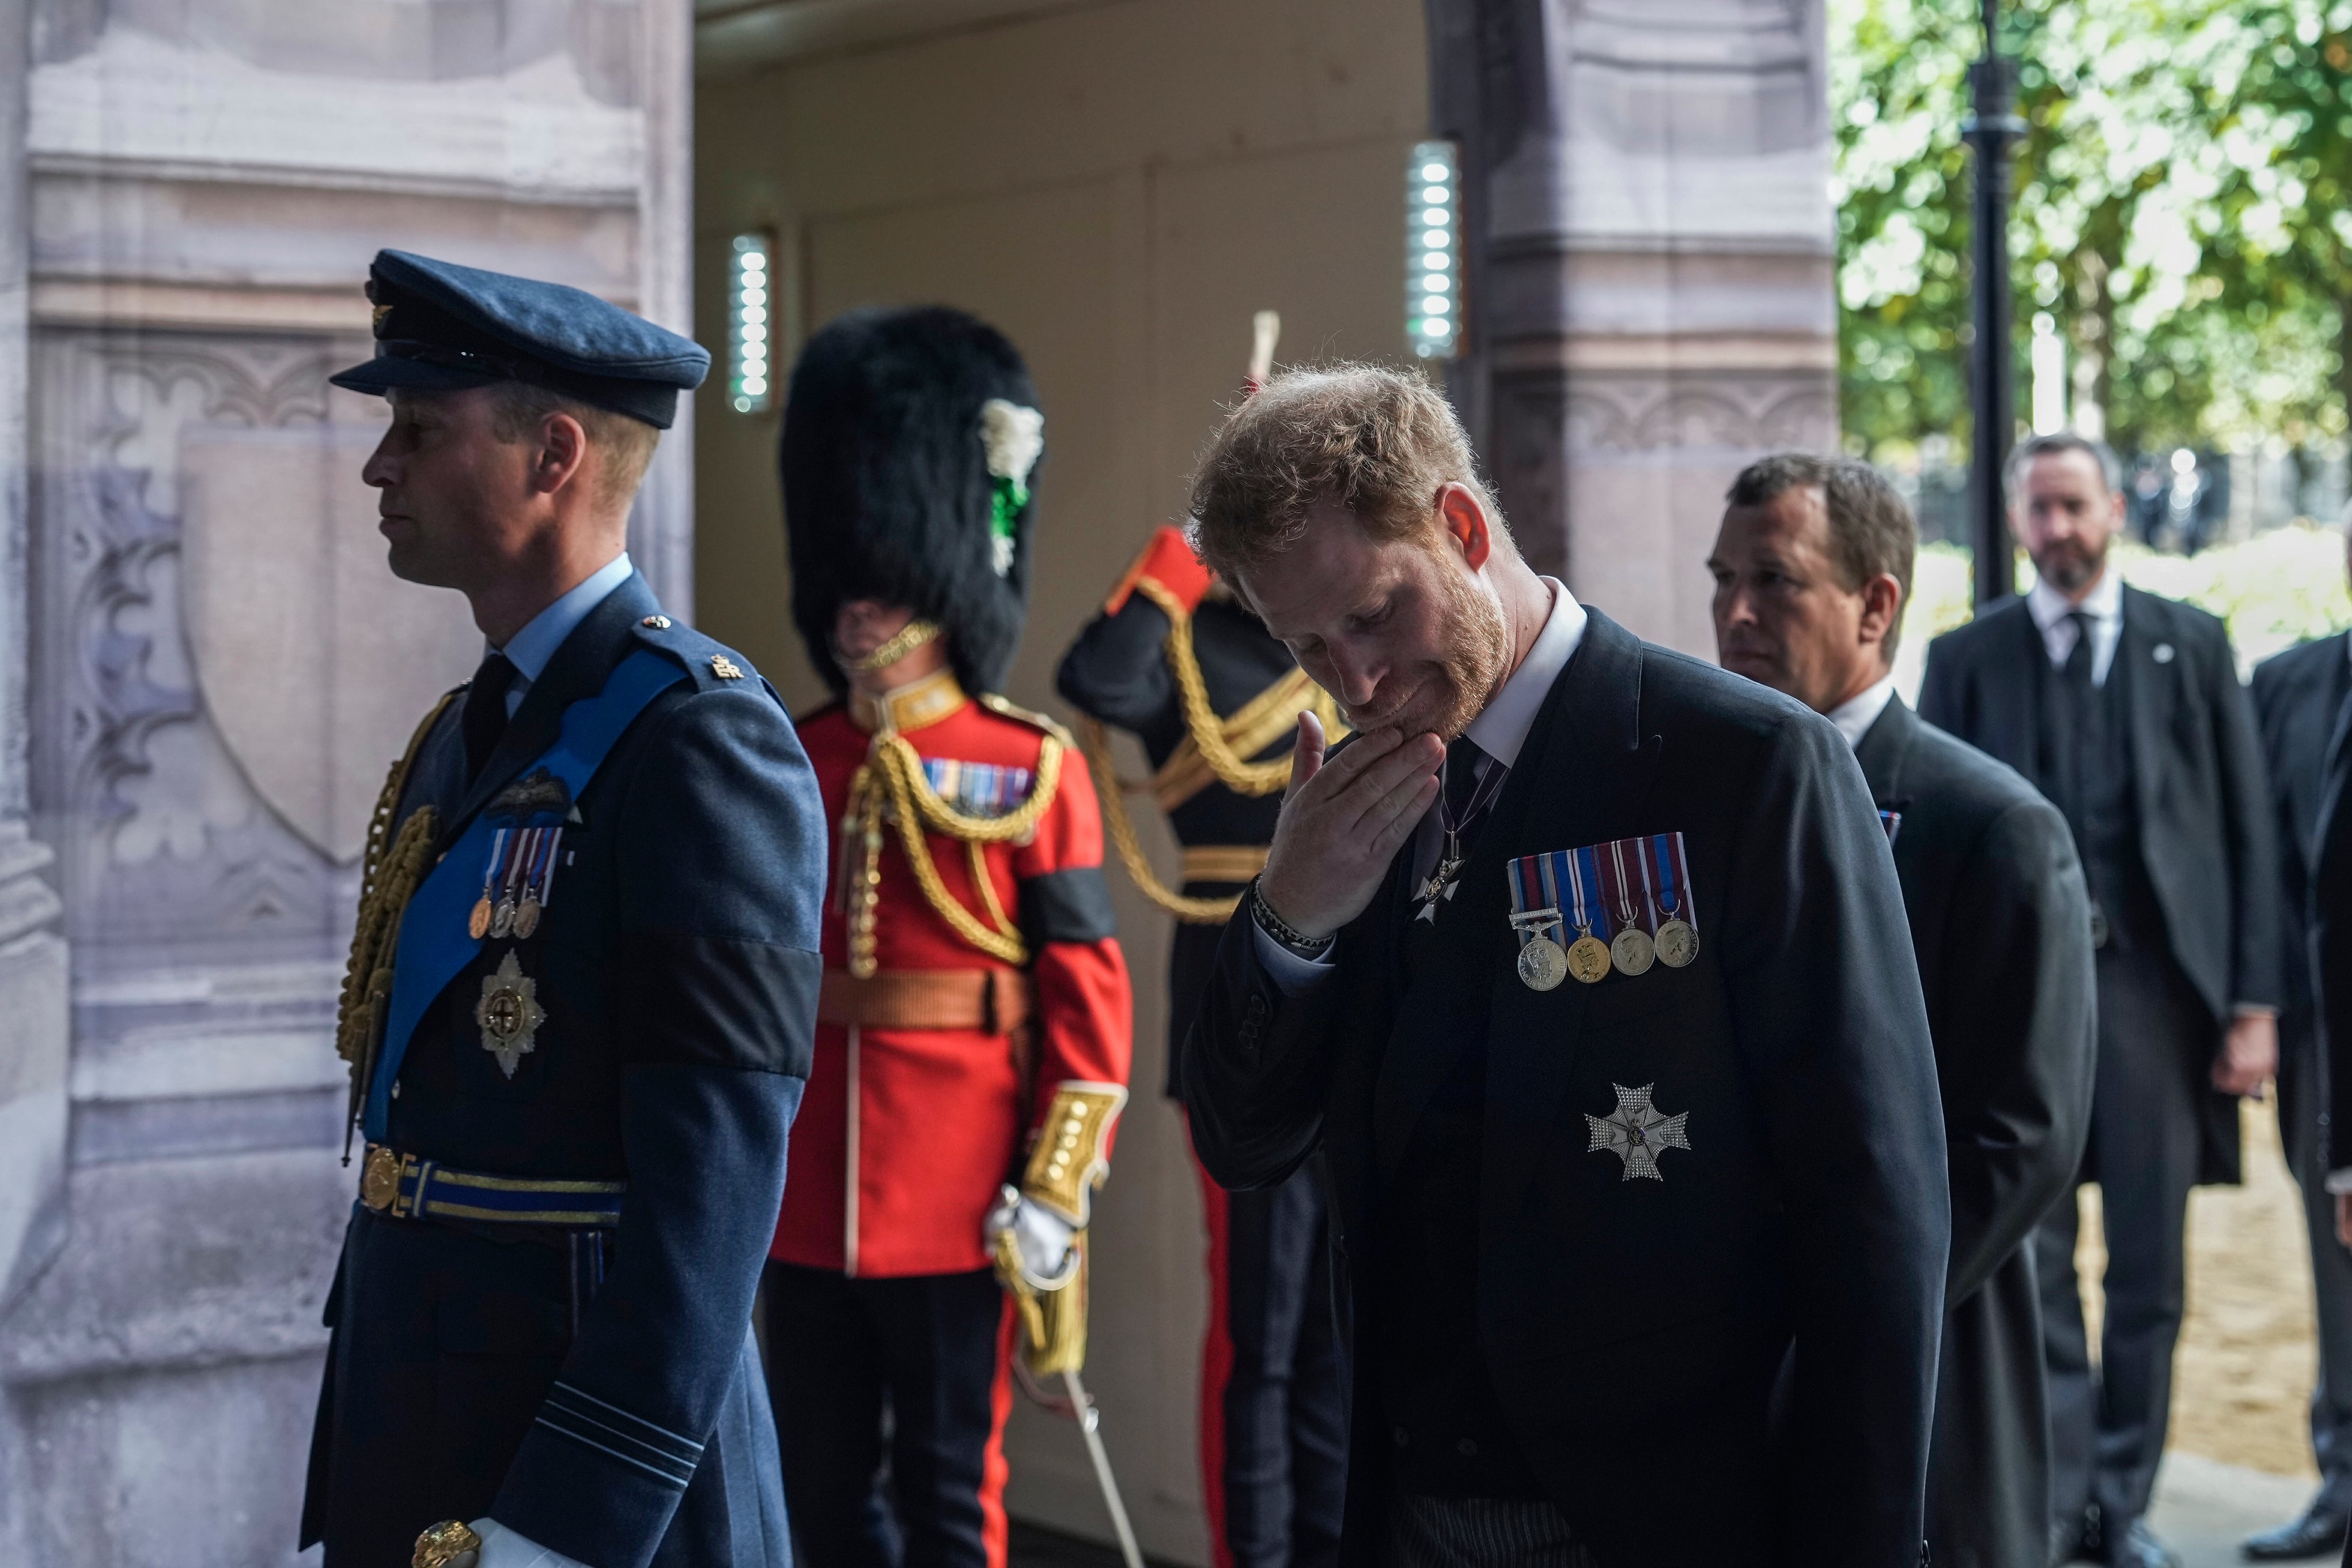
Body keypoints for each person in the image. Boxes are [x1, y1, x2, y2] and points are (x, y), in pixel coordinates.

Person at [1179, 365, 1950, 1568]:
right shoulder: (1351, 801)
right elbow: (1241, 1138)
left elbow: (1873, 1215)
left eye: (1376, 614)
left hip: (1666, 1515)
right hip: (1408, 1504)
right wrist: (1291, 915)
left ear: (1462, 525)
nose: (1358, 680)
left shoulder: (1741, 763)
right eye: (1307, 646)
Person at [300, 251, 823, 1568]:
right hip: (422, 1410)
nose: (381, 466)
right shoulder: (463, 732)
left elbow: (711, 1194)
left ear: (554, 453)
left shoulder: (699, 740)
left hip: (590, 1470)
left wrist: (566, 1526)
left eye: (419, 429)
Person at [764, 306, 1135, 1568]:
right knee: (813, 1494)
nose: (859, 608)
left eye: (885, 575)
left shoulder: (1023, 764)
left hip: (956, 1191)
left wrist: (1050, 1187)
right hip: (801, 1197)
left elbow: (1085, 1011)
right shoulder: (787, 756)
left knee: (946, 1495)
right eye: (848, 580)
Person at [1709, 453, 2096, 1568]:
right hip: (1726, 1370)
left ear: (1874, 602)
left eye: (1773, 579)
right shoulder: (1705, 797)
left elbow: (2018, 1139)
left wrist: (1837, 1308)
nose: (1732, 611)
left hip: (1920, 1360)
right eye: (1720, 576)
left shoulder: (1988, 826)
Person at [1918, 430, 2281, 1568]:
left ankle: (2119, 1502)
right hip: (2018, 1001)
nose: (2056, 529)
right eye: (2038, 509)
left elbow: (2246, 829)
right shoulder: (1967, 655)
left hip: (2150, 1001)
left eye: (2073, 506)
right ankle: (2056, 1491)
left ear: (2113, 508)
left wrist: (2253, 1002)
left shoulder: (2191, 643)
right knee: (2030, 1257)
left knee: (2144, 1265)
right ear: (2018, 518)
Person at [1058, 522, 1350, 1568]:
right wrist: (1177, 553)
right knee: (1258, 1336)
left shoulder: (1341, 638)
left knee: (1339, 1333)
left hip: (1358, 1002)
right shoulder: (1190, 647)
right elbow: (1094, 673)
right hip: (1242, 1009)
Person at [2248, 521, 2352, 1559]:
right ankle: (2344, 1480)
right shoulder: (2285, 683)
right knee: (2336, 1264)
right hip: (2325, 1038)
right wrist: (2261, 1009)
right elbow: (2264, 859)